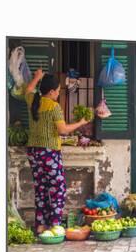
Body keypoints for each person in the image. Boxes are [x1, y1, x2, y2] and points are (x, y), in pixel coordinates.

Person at [24, 69, 91, 234]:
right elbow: (63, 130)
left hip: (33, 151)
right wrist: (81, 122)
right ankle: (54, 224)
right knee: (58, 188)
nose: (58, 93)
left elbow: (28, 90)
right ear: (52, 91)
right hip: (49, 152)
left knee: (41, 188)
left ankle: (40, 225)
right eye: (58, 90)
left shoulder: (33, 99)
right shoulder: (54, 107)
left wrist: (37, 78)